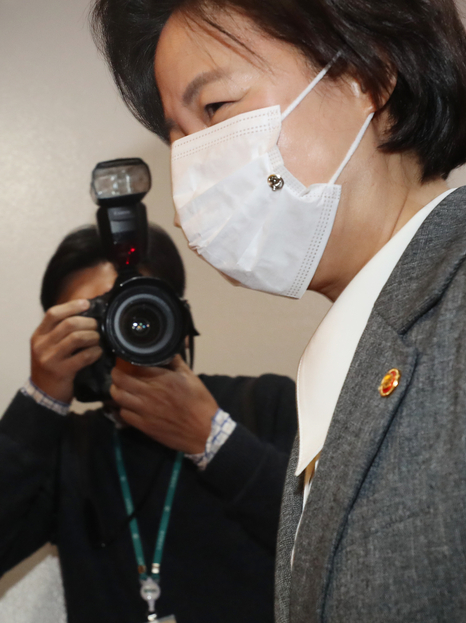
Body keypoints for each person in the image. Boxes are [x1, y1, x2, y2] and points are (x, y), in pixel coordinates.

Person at [90, 0, 466, 623]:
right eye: (177, 136)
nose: (192, 162)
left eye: (214, 110)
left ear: (368, 76)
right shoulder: (341, 373)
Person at [0, 224, 297, 623]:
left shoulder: (264, 404)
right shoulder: (69, 451)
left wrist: (214, 439)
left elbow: (339, 540)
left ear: (177, 314)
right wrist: (41, 397)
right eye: (96, 319)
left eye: (134, 308)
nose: (120, 333)